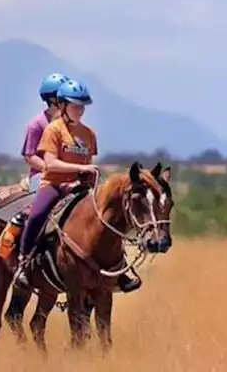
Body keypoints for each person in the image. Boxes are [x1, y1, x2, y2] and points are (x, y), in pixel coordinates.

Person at [12, 78, 142, 294]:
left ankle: (119, 271)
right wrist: (81, 169)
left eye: (82, 106)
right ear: (62, 105)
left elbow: (86, 162)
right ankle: (23, 264)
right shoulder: (53, 130)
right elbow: (50, 163)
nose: (80, 110)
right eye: (75, 105)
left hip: (79, 187)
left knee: (108, 218)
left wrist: (89, 173)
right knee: (37, 214)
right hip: (53, 184)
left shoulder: (89, 134)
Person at [21, 72, 71, 193]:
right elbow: (29, 156)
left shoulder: (72, 123)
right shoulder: (36, 124)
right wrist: (49, 167)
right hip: (42, 175)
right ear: (52, 99)